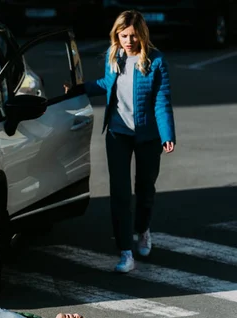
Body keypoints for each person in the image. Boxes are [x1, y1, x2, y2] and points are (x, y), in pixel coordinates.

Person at [66, 10, 176, 273]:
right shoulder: (113, 56)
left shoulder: (156, 61)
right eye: (123, 35)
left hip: (148, 136)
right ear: (117, 35)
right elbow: (107, 83)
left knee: (145, 187)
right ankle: (126, 251)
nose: (128, 41)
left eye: (133, 36)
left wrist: (167, 134)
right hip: (118, 134)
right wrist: (81, 89)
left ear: (142, 35)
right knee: (120, 193)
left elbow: (162, 100)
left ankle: (143, 229)